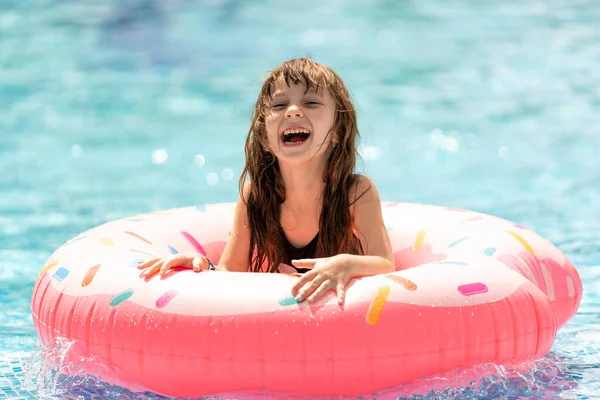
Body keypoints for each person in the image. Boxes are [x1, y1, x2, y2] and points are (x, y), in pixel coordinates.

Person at [138, 57, 395, 305]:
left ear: (337, 132)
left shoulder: (355, 193)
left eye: (311, 102)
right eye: (279, 105)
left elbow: (385, 265)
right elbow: (230, 272)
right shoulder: (257, 196)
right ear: (265, 138)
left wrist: (347, 264)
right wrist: (203, 266)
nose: (293, 111)